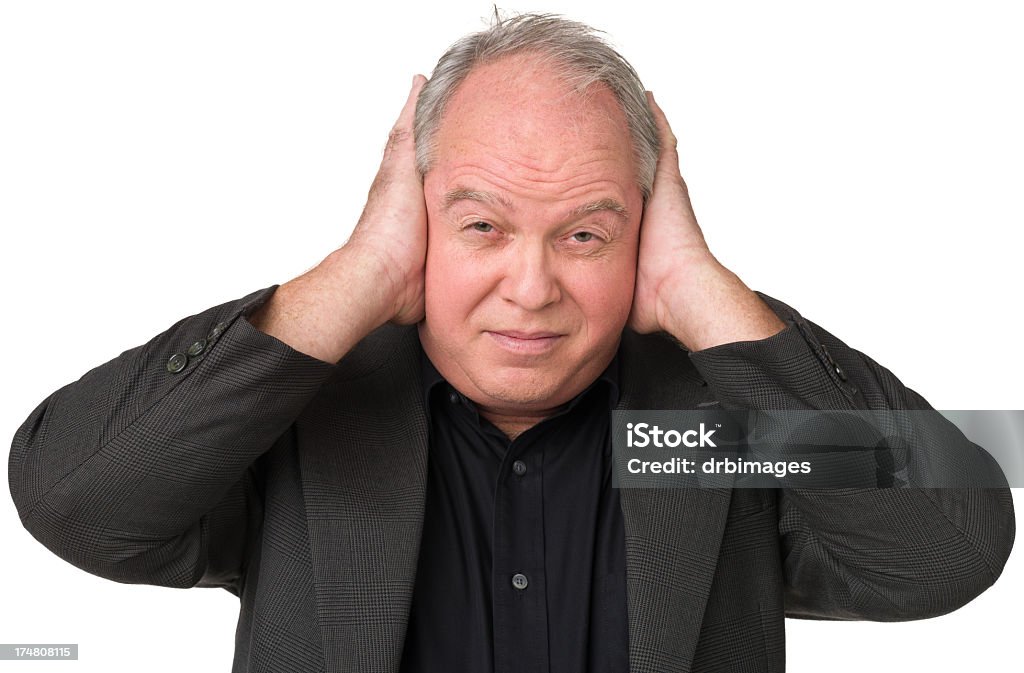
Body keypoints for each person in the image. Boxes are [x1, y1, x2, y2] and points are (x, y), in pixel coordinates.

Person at [7, 11, 1014, 673]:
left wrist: (701, 292)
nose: (530, 290)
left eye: (585, 233)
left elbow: (951, 553)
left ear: (645, 227)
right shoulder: (303, 405)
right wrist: (356, 273)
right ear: (416, 214)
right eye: (481, 224)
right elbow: (72, 502)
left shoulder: (717, 418)